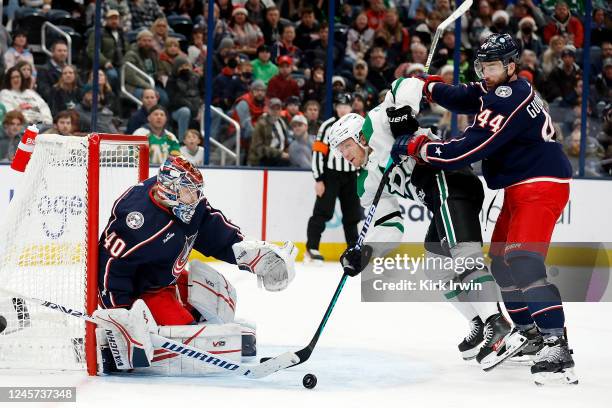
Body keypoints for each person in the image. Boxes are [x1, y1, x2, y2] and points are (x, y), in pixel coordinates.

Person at [391, 34, 576, 385]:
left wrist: (421, 147)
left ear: (510, 66)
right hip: (522, 186)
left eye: (490, 66)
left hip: (542, 186)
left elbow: (466, 150)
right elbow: (466, 95)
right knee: (503, 264)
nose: (484, 72)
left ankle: (557, 342)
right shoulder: (502, 88)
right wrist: (429, 89)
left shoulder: (508, 98)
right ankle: (529, 333)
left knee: (523, 261)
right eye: (481, 65)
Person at [329, 80, 516, 369]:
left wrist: (402, 111)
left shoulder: (376, 123)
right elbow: (389, 225)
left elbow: (406, 83)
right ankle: (480, 323)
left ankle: (499, 325)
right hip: (437, 195)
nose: (344, 154)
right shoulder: (367, 181)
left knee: (463, 255)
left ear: (358, 136)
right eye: (339, 150)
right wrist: (364, 253)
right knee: (435, 267)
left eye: (345, 146)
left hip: (447, 178)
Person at [96, 154, 297, 372]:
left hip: (166, 277)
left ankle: (183, 320)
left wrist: (250, 255)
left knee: (220, 300)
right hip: (144, 293)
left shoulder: (188, 205)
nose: (196, 196)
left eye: (196, 190)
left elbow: (213, 229)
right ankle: (127, 338)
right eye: (189, 190)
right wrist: (121, 315)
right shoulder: (136, 224)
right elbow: (111, 268)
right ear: (169, 189)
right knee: (191, 339)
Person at [305, 93, 360, 263]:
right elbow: (318, 153)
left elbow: (364, 149)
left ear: (351, 107)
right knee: (323, 212)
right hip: (330, 176)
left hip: (351, 175)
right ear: (336, 108)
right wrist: (319, 179)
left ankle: (353, 250)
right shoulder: (327, 126)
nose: (343, 110)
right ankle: (311, 248)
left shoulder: (358, 125)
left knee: (352, 215)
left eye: (346, 106)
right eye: (340, 106)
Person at [123, 30, 168, 107]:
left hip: (152, 84)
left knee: (164, 98)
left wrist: (160, 76)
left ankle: (157, 117)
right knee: (149, 99)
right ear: (138, 41)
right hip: (135, 87)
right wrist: (149, 87)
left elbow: (157, 70)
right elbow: (131, 77)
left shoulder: (153, 54)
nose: (147, 43)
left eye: (149, 41)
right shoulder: (131, 54)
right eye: (144, 40)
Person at [87, 9, 126, 92]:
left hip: (121, 64)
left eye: (116, 19)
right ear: (106, 20)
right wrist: (105, 62)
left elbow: (127, 50)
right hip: (104, 66)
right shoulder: (98, 32)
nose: (114, 21)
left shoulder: (122, 33)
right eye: (111, 19)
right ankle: (113, 97)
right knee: (113, 75)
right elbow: (92, 50)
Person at [166, 57, 204, 142]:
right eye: (181, 67)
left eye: (186, 66)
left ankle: (209, 141)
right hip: (177, 110)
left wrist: (201, 108)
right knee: (185, 112)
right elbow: (174, 99)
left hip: (197, 107)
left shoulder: (196, 78)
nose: (185, 69)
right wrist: (193, 108)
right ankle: (182, 142)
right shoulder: (172, 81)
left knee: (215, 111)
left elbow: (202, 93)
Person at [247, 98, 291, 166]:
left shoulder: (282, 122)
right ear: (268, 109)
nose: (275, 111)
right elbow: (258, 148)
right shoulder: (261, 124)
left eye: (278, 109)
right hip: (263, 160)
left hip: (280, 158)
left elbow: (286, 142)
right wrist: (279, 154)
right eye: (273, 108)